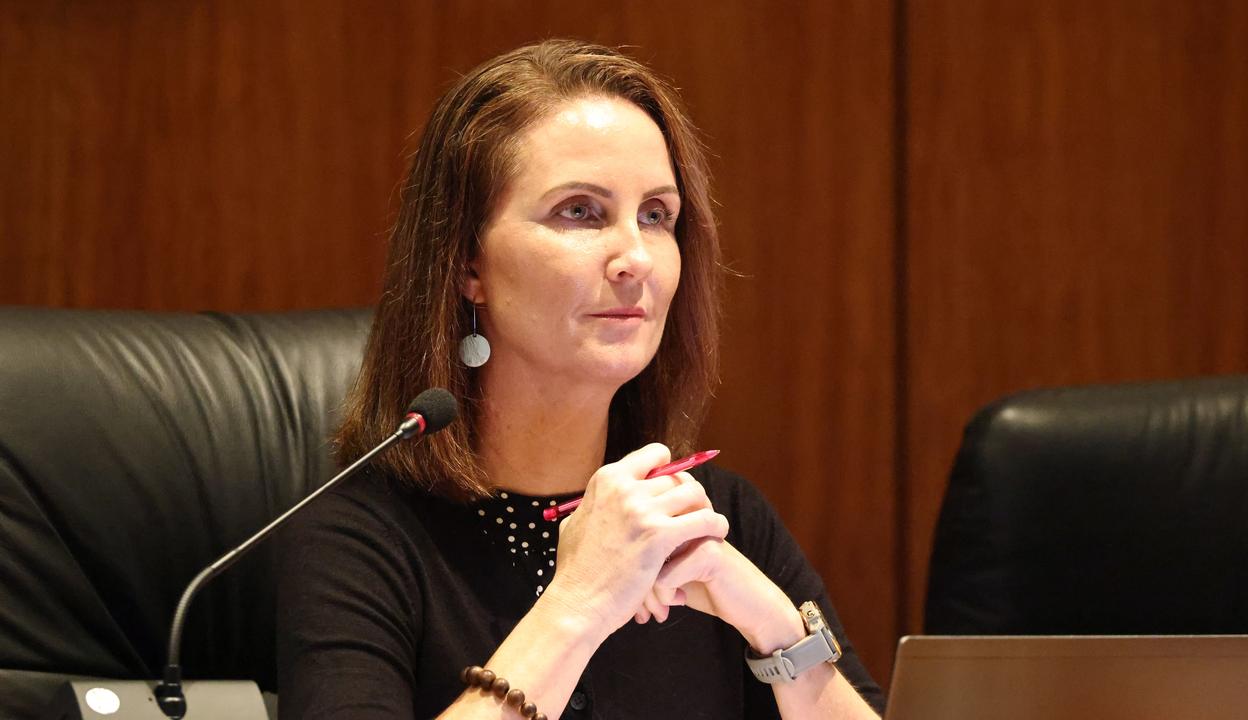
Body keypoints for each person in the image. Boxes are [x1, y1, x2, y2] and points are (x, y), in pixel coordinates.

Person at [276, 39, 886, 719]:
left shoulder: (717, 517)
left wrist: (773, 626)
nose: (635, 257)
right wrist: (581, 602)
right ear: (466, 264)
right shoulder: (359, 543)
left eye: (656, 215)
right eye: (581, 212)